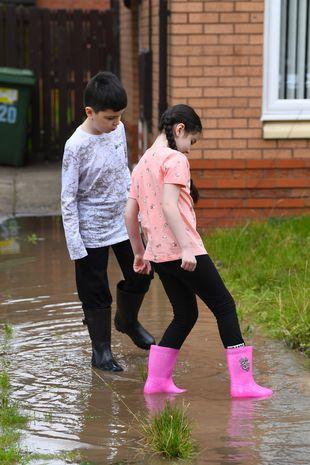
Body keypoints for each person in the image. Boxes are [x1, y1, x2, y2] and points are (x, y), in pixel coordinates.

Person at [125, 104, 273, 398]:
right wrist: (187, 248)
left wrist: (139, 253)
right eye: (192, 142)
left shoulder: (141, 163)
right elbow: (169, 205)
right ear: (179, 130)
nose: (190, 150)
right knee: (224, 306)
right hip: (183, 251)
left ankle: (157, 381)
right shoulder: (175, 159)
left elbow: (130, 213)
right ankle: (243, 384)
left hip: (158, 255)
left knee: (185, 314)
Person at [61, 71, 155, 373]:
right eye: (110, 118)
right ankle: (100, 352)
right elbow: (68, 199)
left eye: (120, 117)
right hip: (89, 230)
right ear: (90, 112)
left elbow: (124, 174)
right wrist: (76, 245)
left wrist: (139, 215)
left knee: (142, 272)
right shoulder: (75, 147)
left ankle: (127, 321)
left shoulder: (116, 132)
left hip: (122, 221)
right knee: (96, 289)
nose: (116, 124)